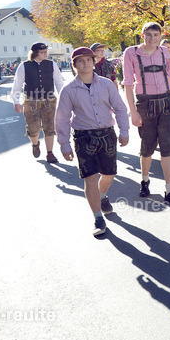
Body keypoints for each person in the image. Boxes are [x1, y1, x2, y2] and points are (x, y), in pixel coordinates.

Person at [56, 47, 131, 237]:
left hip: (107, 135)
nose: (86, 64)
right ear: (74, 66)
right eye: (80, 61)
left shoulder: (106, 85)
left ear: (93, 62)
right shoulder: (68, 90)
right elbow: (62, 119)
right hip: (83, 137)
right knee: (90, 178)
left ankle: (103, 196)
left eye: (88, 60)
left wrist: (124, 131)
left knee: (109, 174)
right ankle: (98, 217)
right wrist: (64, 145)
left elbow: (120, 109)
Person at [122, 22, 170, 204]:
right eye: (148, 34)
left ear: (160, 36)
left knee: (167, 147)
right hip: (145, 103)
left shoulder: (164, 52)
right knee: (147, 146)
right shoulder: (131, 53)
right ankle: (145, 180)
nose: (152, 38)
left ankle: (169, 190)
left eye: (155, 35)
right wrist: (133, 112)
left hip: (166, 102)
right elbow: (127, 83)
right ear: (142, 35)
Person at [11, 42, 65, 163]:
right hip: (31, 101)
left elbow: (59, 83)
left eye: (46, 51)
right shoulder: (24, 66)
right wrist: (16, 102)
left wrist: (63, 98)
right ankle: (35, 144)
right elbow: (17, 85)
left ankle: (50, 153)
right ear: (35, 53)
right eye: (42, 52)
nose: (46, 53)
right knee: (33, 128)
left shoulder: (52, 65)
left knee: (49, 127)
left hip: (49, 100)